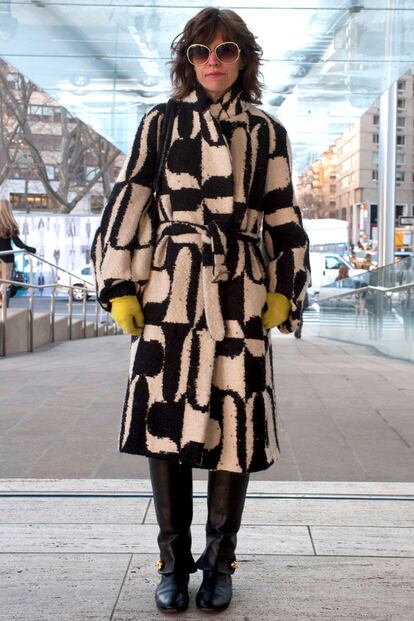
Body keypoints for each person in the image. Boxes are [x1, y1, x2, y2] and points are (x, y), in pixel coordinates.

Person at [91, 7, 310, 614]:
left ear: (245, 59)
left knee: (233, 428)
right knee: (168, 425)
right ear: (186, 60)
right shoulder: (159, 124)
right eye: (200, 50)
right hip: (172, 289)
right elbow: (129, 199)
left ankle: (220, 562)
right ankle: (171, 561)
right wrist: (119, 286)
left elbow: (283, 214)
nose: (213, 60)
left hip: (240, 289)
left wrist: (286, 288)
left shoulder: (267, 132)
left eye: (227, 50)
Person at [0, 199, 36, 308]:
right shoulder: (9, 224)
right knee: (5, 283)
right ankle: (2, 307)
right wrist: (30, 249)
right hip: (7, 256)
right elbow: (18, 243)